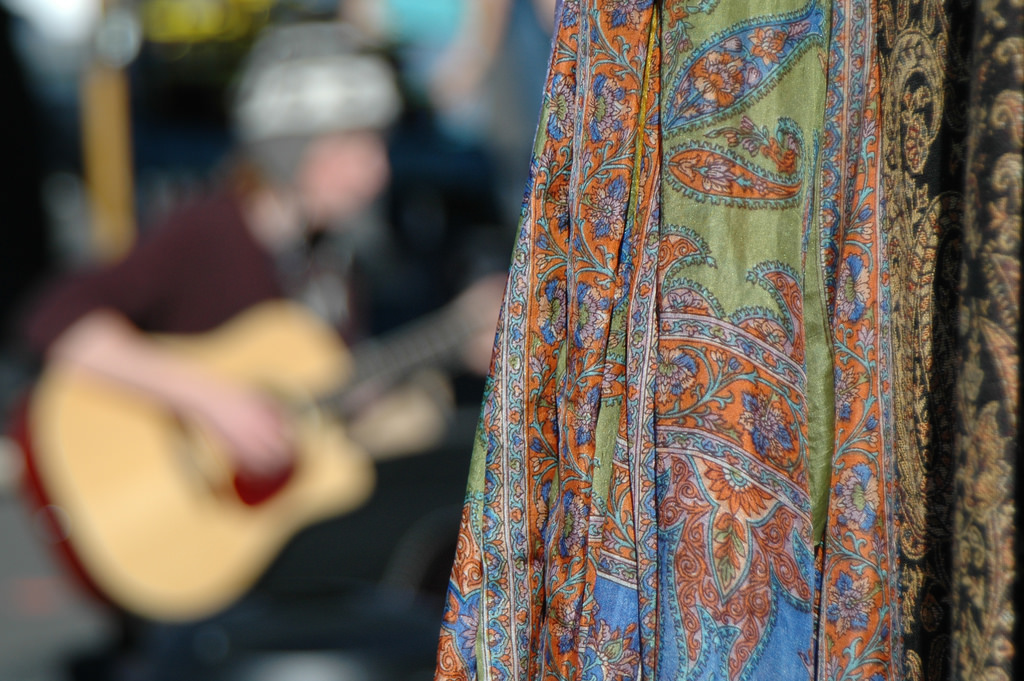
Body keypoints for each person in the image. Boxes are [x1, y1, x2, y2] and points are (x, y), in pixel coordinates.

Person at [20, 21, 415, 476]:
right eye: (354, 148)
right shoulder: (207, 229)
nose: (378, 172)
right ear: (292, 151)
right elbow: (54, 319)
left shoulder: (328, 256)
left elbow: (328, 388)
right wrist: (209, 398)